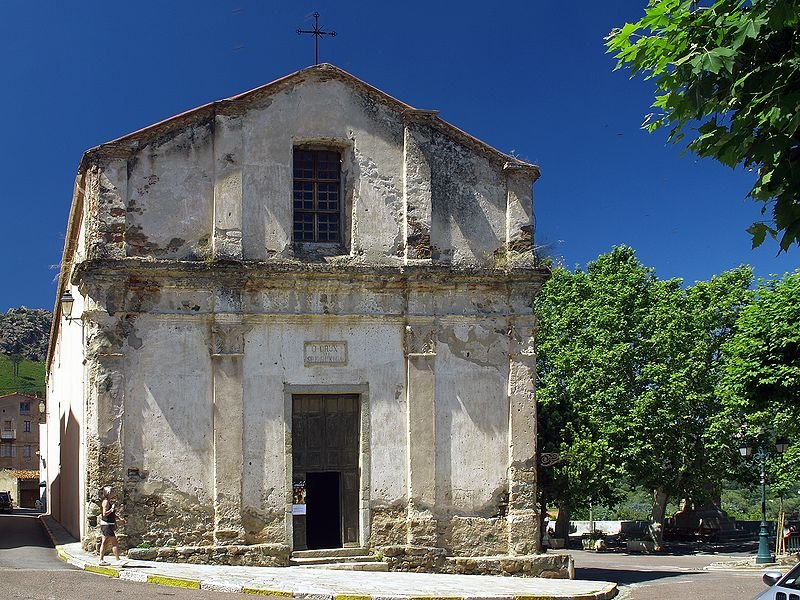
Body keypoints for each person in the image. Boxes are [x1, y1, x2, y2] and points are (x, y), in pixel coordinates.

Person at [99, 486, 126, 565]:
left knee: (105, 543)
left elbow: (112, 515)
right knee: (114, 542)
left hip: (108, 524)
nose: (113, 493)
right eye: (112, 492)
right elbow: (104, 513)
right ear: (108, 493)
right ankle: (118, 560)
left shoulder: (109, 502)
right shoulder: (106, 502)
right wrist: (111, 510)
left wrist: (120, 519)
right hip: (107, 525)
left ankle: (101, 560)